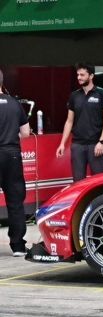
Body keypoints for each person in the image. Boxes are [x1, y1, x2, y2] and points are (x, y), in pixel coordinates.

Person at [56, 63, 103, 181]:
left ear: (91, 76)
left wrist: (102, 141)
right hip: (77, 146)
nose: (79, 77)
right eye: (78, 75)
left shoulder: (102, 93)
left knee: (98, 180)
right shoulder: (74, 95)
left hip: (95, 145)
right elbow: (69, 121)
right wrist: (62, 143)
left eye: (82, 75)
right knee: (78, 181)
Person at [0, 69, 31, 256]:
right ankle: (18, 245)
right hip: (12, 154)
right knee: (15, 200)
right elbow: (26, 133)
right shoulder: (14, 103)